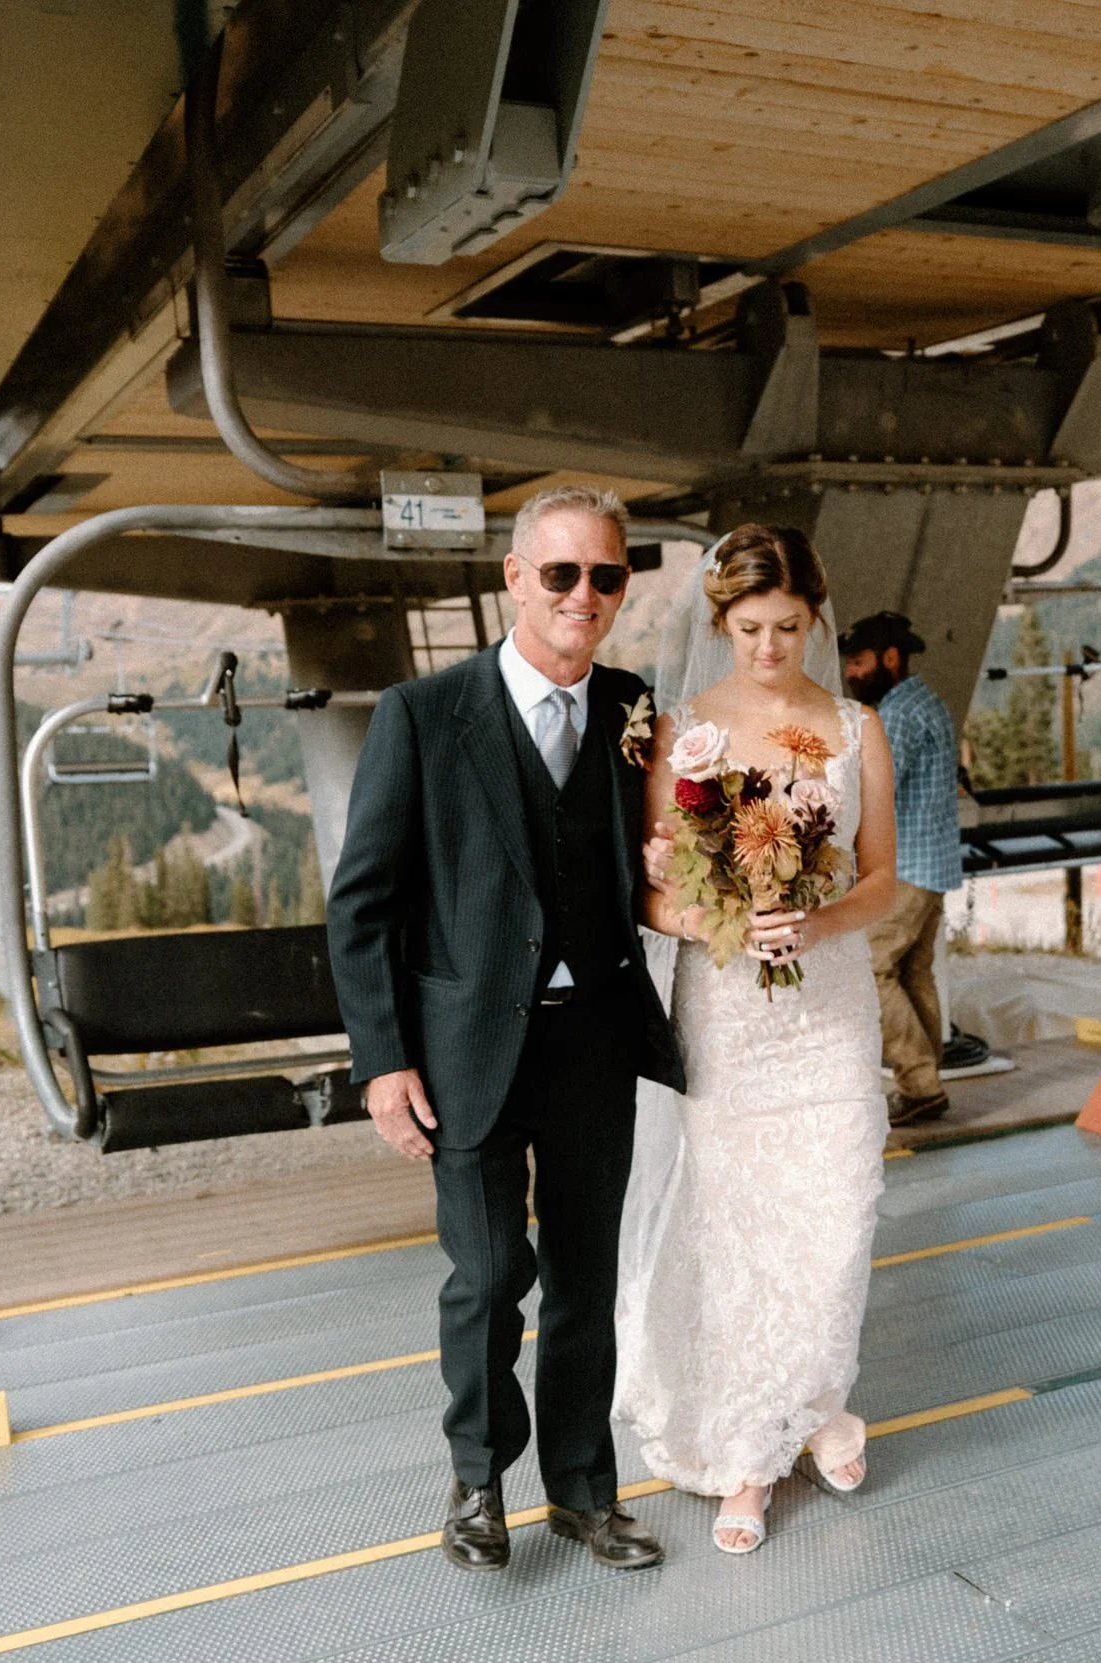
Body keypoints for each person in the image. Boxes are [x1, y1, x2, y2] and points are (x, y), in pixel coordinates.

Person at [325, 484, 686, 1575]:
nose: (585, 595)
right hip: (463, 1048)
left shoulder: (634, 708)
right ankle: (477, 1483)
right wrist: (383, 1062)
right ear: (515, 578)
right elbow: (362, 905)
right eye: (562, 573)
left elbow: (647, 867)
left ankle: (582, 1491)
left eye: (606, 575)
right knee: (488, 1278)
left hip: (595, 1040)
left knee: (585, 1278)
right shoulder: (422, 714)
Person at [620, 524, 898, 1555]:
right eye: (749, 628)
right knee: (741, 1224)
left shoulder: (856, 727)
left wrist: (816, 922)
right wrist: (711, 917)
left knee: (837, 1214)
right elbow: (649, 891)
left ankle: (816, 1399)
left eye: (787, 626)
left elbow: (881, 877)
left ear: (814, 619)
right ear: (720, 623)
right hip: (730, 1012)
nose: (769, 646)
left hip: (829, 1010)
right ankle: (748, 1454)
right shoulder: (683, 730)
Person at [840, 610, 963, 1126]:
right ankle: (928, 1083)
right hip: (934, 862)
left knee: (871, 968)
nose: (850, 673)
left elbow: (875, 791)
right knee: (913, 972)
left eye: (859, 662)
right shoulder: (926, 701)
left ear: (890, 658)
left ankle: (919, 1083)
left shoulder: (897, 714)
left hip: (908, 866)